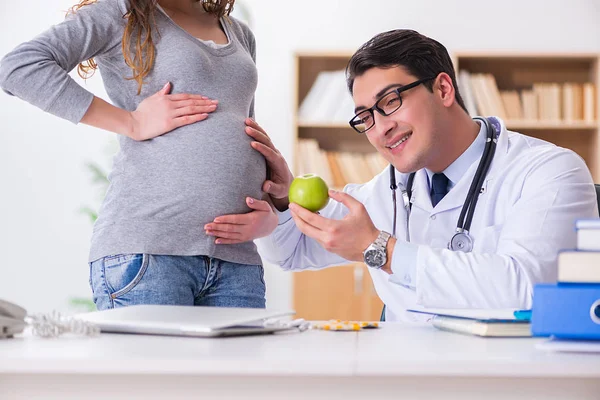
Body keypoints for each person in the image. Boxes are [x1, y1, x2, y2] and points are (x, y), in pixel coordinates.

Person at [212, 29, 599, 322]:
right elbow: (292, 250)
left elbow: (528, 290)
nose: (380, 129)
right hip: (403, 378)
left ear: (443, 88)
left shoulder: (549, 171)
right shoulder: (385, 190)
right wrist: (282, 201)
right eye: (366, 116)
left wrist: (382, 250)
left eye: (391, 102)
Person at [0, 0, 278, 310]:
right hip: (150, 254)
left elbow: (240, 130)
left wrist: (269, 213)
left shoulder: (239, 33)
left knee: (244, 361)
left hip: (236, 259)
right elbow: (19, 67)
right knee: (151, 361)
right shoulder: (120, 12)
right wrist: (131, 121)